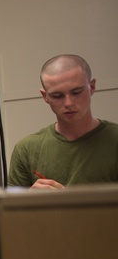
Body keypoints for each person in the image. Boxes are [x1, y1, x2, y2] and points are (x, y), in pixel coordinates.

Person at [7, 54, 118, 188]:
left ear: (92, 87)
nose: (68, 103)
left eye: (76, 92)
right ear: (45, 96)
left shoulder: (114, 140)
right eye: (57, 96)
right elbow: (11, 208)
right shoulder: (26, 150)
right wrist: (31, 200)